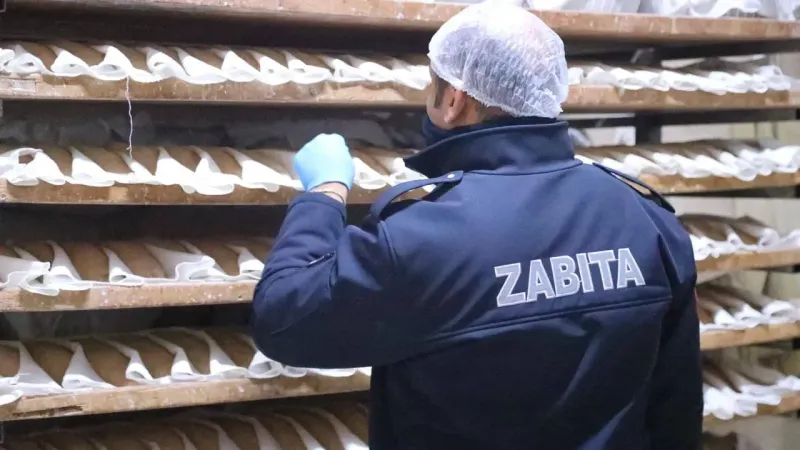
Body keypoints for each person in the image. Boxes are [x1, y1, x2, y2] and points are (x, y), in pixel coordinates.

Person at [251, 1, 703, 449]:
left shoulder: (421, 236)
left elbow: (284, 319)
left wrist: (324, 193)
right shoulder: (650, 222)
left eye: (433, 83)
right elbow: (676, 411)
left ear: (454, 100)